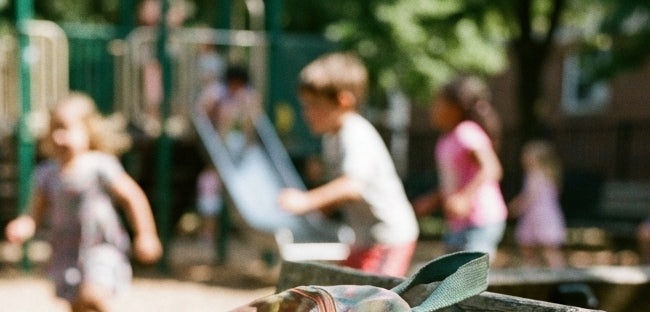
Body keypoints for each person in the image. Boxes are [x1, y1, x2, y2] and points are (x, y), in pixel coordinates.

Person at [4, 92, 163, 312]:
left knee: (91, 293)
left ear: (88, 131)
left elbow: (133, 197)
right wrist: (22, 227)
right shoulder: (47, 174)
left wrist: (146, 233)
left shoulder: (99, 165)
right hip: (66, 249)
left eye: (67, 128)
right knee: (75, 307)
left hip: (100, 245)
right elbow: (34, 213)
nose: (60, 137)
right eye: (55, 129)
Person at [277, 52, 418, 276]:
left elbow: (352, 186)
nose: (307, 113)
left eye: (314, 105)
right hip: (364, 237)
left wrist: (307, 200)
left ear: (343, 101)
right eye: (305, 105)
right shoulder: (332, 136)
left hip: (388, 237)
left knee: (373, 304)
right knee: (347, 294)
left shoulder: (354, 132)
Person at [413, 75, 508, 259]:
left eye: (438, 103)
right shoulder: (447, 139)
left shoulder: (467, 132)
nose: (433, 109)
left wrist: (465, 198)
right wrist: (431, 201)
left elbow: (492, 168)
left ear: (456, 108)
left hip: (481, 219)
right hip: (458, 223)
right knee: (449, 275)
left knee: (469, 278)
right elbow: (454, 183)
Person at [194, 63, 262, 245]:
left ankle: (230, 232)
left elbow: (252, 119)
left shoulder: (248, 96)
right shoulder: (216, 93)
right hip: (219, 146)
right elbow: (201, 112)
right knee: (210, 187)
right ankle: (208, 231)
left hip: (238, 149)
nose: (236, 88)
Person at [509, 139, 566, 268]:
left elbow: (530, 196)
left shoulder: (535, 175)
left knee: (543, 247)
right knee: (539, 247)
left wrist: (516, 207)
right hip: (541, 215)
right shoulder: (549, 175)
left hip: (540, 216)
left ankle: (539, 268)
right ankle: (551, 269)